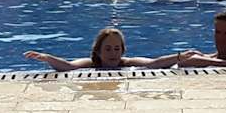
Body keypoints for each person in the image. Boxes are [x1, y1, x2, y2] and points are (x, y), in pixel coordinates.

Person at [24, 27, 184, 72]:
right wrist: (47, 58)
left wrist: (179, 56)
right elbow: (68, 66)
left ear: (122, 50)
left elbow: (153, 64)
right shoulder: (91, 64)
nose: (113, 53)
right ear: (98, 51)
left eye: (116, 48)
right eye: (107, 49)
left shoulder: (127, 63)